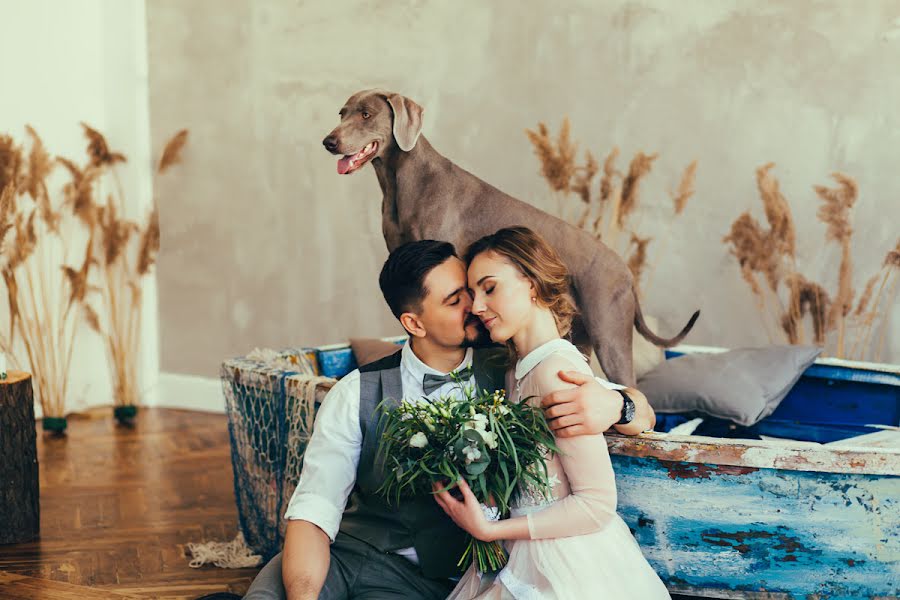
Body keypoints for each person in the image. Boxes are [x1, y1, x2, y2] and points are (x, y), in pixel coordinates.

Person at [243, 239, 656, 600]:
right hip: (352, 552)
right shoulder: (354, 392)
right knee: (272, 592)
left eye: (478, 291)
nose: (476, 306)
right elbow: (315, 510)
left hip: (432, 580)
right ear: (414, 323)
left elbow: (631, 407)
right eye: (457, 299)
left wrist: (619, 407)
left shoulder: (512, 369)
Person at [436, 227, 670, 599]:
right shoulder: (516, 369)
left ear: (530, 283)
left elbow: (596, 504)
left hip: (565, 559)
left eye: (489, 288)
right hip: (525, 550)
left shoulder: (556, 370)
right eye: (473, 294)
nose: (477, 307)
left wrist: (490, 530)